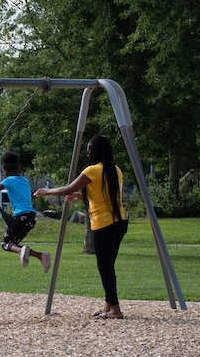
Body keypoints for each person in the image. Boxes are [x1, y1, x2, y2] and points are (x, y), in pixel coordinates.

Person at [34, 134, 129, 319]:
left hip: (103, 224)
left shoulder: (92, 170)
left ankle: (115, 309)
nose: (87, 153)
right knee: (108, 266)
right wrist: (81, 196)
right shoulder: (115, 169)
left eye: (89, 150)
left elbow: (65, 189)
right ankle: (108, 305)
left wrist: (46, 191)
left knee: (105, 267)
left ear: (94, 152)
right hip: (120, 222)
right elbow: (108, 194)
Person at [0, 152, 49, 272]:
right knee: (12, 243)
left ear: (5, 170)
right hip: (30, 218)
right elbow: (30, 195)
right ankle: (41, 256)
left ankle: (22, 251)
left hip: (20, 216)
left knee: (6, 244)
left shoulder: (8, 180)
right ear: (19, 169)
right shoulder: (24, 180)